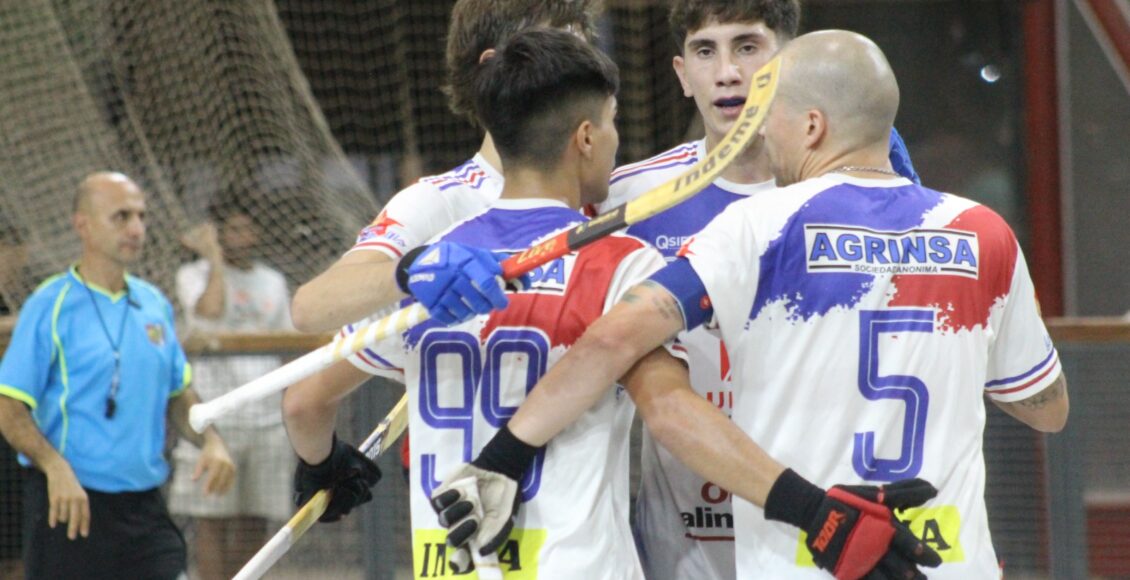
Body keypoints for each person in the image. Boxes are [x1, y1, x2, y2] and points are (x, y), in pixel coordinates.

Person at [434, 30, 1069, 579]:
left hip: (811, 556)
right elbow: (1047, 409)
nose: (762, 133)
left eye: (771, 118)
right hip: (946, 562)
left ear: (813, 126)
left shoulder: (760, 226)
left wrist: (504, 456)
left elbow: (611, 341)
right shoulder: (984, 233)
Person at [289, 27, 671, 578]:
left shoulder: (440, 258)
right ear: (586, 136)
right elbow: (674, 411)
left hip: (449, 561)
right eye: (613, 122)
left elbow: (303, 402)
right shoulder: (620, 260)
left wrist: (320, 459)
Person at [599, 2, 919, 578]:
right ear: (681, 73)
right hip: (684, 549)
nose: (727, 73)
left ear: (788, 61)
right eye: (705, 51)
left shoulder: (864, 197)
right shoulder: (632, 199)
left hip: (824, 532)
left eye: (747, 47)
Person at [281, 0, 600, 523]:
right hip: (470, 519)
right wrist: (414, 268)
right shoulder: (441, 205)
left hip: (587, 524)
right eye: (562, 45)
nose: (588, 69)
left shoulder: (612, 195)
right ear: (495, 66)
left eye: (585, 45)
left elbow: (304, 404)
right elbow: (312, 309)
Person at [0, 172, 236, 580]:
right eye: (121, 216)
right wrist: (54, 466)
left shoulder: (154, 304)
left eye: (141, 216)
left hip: (146, 511)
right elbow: (9, 404)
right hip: (70, 505)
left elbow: (178, 393)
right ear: (83, 225)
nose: (136, 228)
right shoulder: (50, 304)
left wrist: (211, 440)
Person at [168, 202, 295, 580]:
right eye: (233, 230)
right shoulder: (192, 275)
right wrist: (213, 258)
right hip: (214, 417)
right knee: (211, 519)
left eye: (247, 229)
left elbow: (288, 343)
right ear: (218, 233)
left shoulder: (272, 281)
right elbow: (209, 312)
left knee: (256, 520)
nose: (242, 237)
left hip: (266, 418)